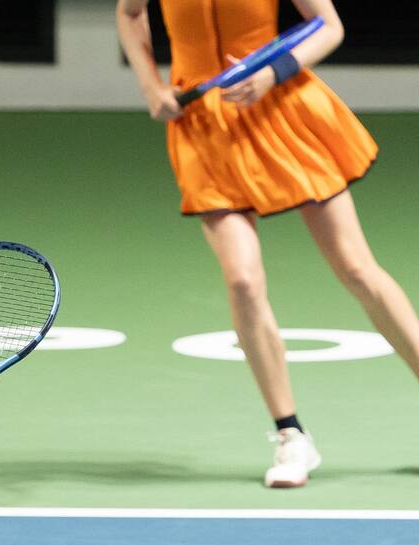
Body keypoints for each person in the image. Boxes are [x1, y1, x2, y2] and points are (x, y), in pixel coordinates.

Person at [117, 0, 419, 487]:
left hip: (282, 110)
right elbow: (130, 13)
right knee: (241, 281)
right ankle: (291, 436)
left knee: (358, 269)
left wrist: (273, 73)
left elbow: (329, 26)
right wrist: (151, 84)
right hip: (205, 128)